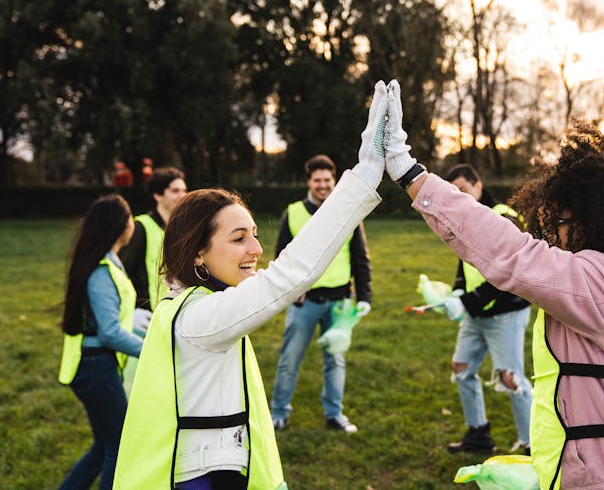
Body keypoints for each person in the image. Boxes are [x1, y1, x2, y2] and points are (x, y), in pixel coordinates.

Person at [383, 80, 604, 489]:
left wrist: (410, 174)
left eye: (559, 222)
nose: (555, 236)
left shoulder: (601, 284)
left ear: (589, 220)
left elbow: (508, 251)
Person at [113, 81, 388, 490]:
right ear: (199, 253)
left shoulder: (193, 300)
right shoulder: (201, 316)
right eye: (239, 238)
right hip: (205, 479)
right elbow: (290, 273)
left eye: (255, 234)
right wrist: (365, 177)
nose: (257, 248)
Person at [269, 154, 373, 434]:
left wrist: (364, 297)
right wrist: (291, 293)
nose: (323, 185)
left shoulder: (347, 211)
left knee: (335, 360)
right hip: (305, 302)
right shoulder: (293, 213)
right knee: (289, 359)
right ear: (309, 182)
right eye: (318, 180)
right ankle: (278, 413)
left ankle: (334, 414)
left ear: (334, 180)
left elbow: (360, 258)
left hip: (340, 302)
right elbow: (281, 257)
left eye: (328, 179)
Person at [439, 163, 533, 456]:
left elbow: (507, 275)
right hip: (475, 314)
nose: (459, 198)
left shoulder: (504, 218)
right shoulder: (465, 218)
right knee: (461, 369)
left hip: (506, 312)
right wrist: (457, 289)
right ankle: (479, 435)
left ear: (478, 185)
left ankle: (535, 446)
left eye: (463, 191)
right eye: (453, 193)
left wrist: (465, 301)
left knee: (511, 378)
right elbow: (463, 261)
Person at [57, 194, 149, 490]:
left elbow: (114, 324)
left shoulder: (108, 263)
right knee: (118, 446)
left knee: (104, 445)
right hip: (96, 368)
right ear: (120, 226)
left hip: (97, 365)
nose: (133, 223)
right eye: (129, 217)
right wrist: (151, 351)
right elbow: (110, 332)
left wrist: (146, 334)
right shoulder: (101, 270)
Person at [119, 166, 188, 311]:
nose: (182, 195)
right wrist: (133, 310)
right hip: (144, 314)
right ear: (158, 195)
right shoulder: (141, 227)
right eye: (175, 191)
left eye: (184, 190)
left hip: (171, 312)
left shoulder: (184, 228)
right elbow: (122, 271)